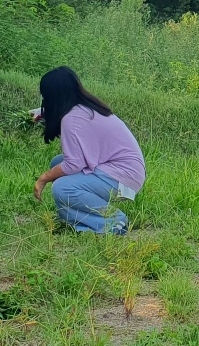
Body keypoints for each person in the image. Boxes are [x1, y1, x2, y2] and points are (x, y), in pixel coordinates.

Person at [32, 67, 145, 235]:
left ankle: (113, 221)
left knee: (62, 188)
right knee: (57, 162)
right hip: (127, 172)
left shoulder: (73, 119)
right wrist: (42, 113)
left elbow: (73, 164)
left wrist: (43, 178)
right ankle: (76, 219)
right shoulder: (83, 108)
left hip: (124, 177)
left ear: (52, 96)